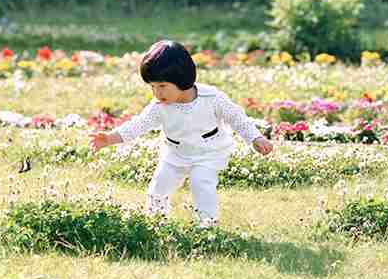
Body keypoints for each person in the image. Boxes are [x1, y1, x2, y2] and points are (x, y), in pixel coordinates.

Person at [89, 40, 273, 227]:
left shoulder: (212, 98)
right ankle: (155, 223)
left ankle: (207, 227)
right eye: (152, 87)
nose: (156, 93)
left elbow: (237, 118)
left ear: (181, 79)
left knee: (201, 183)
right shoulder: (159, 106)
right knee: (158, 186)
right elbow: (139, 124)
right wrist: (111, 138)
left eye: (161, 86)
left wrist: (255, 137)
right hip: (174, 154)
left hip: (208, 153)